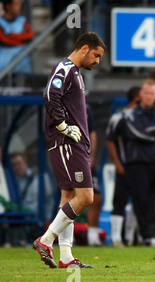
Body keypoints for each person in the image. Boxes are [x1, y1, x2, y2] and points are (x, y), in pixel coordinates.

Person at [32, 32, 106, 268]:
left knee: (68, 198)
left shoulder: (75, 73)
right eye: (96, 55)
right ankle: (45, 240)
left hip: (75, 144)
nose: (97, 61)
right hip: (67, 144)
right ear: (84, 48)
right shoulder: (64, 68)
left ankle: (65, 257)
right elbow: (49, 95)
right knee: (86, 197)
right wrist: (63, 126)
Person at [109, 79, 155, 247]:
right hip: (137, 163)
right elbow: (139, 134)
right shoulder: (129, 115)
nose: (149, 96)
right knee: (143, 202)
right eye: (146, 93)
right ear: (141, 94)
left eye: (152, 93)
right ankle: (148, 237)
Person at [106, 86, 141, 247]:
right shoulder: (119, 118)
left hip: (141, 167)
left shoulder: (144, 117)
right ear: (137, 98)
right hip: (125, 166)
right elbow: (110, 140)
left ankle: (130, 237)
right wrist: (117, 163)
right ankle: (116, 238)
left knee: (139, 202)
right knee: (119, 201)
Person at [85, 105, 103, 246]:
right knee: (67, 197)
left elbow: (92, 133)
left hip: (84, 159)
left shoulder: (85, 108)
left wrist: (91, 156)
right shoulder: (58, 108)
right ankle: (65, 238)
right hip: (68, 159)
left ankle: (93, 236)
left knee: (96, 198)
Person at [0, 0, 33, 73]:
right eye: (17, 4)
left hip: (22, 65)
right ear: (8, 6)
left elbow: (30, 36)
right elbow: (4, 40)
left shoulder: (22, 21)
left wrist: (12, 35)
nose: (20, 7)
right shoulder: (1, 22)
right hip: (3, 66)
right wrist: (21, 37)